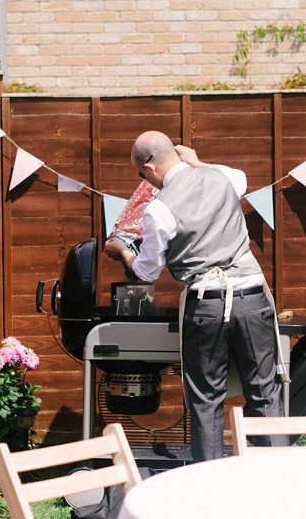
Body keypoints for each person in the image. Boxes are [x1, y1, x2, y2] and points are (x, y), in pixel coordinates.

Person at [104, 131, 285, 461]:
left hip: (207, 305)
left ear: (150, 166)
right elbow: (239, 177)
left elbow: (147, 271)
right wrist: (197, 161)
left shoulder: (158, 209)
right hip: (252, 297)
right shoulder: (222, 177)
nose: (145, 182)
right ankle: (279, 480)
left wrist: (122, 252)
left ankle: (207, 491)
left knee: (206, 400)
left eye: (141, 174)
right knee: (264, 392)